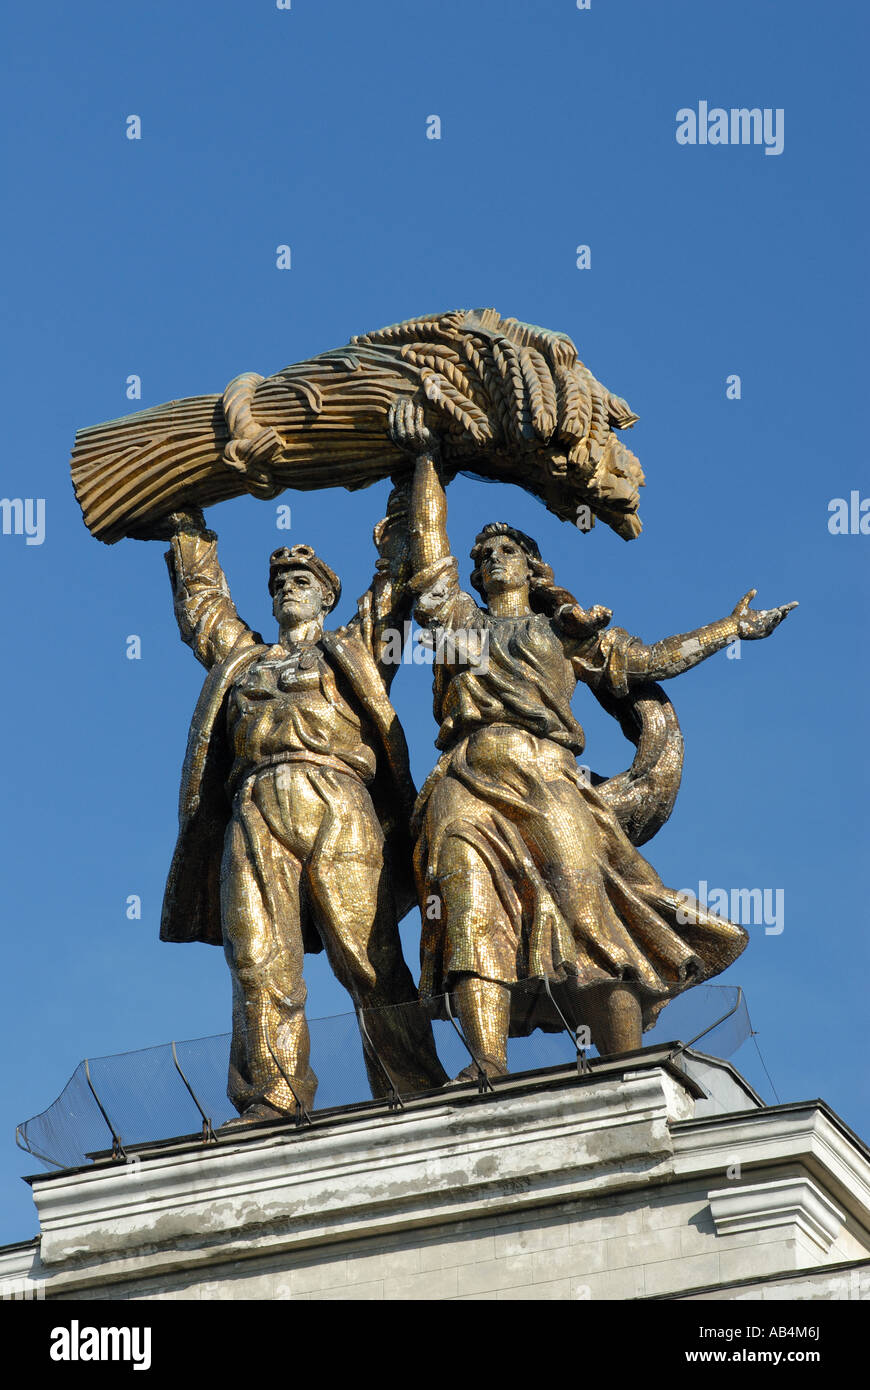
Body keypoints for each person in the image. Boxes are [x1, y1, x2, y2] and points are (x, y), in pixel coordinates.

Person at [407, 452, 796, 1077]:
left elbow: (648, 662)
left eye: (504, 550)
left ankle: (627, 1067)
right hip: (467, 775)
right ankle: (486, 1062)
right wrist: (425, 458)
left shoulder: (565, 630)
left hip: (549, 776)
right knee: (469, 906)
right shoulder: (457, 621)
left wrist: (730, 628)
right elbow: (428, 554)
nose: (489, 561)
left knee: (588, 916)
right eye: (481, 557)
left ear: (534, 568)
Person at [146, 486, 446, 1123]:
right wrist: (185, 528)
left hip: (336, 796)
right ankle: (273, 1097)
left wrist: (409, 491)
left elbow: (394, 586)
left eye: (303, 580)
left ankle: (414, 1088)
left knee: (369, 957)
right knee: (257, 960)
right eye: (280, 580)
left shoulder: (353, 648)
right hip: (253, 805)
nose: (289, 588)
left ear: (326, 595)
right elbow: (202, 609)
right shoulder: (243, 659)